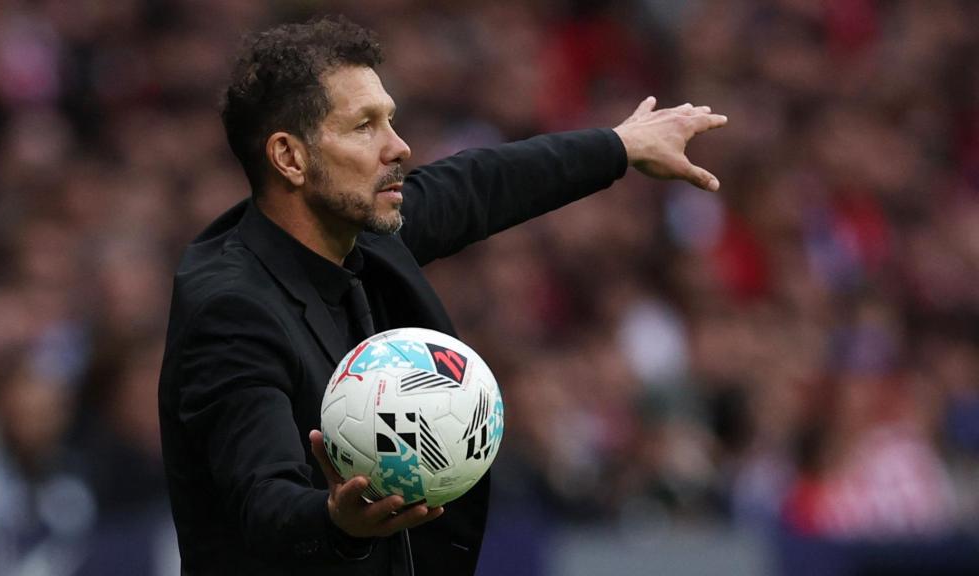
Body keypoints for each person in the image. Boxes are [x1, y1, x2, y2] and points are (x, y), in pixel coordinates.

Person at [157, 15, 727, 576]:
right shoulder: (231, 310)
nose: (399, 146)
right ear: (289, 157)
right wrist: (337, 523)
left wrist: (621, 146)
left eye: (391, 120)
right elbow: (261, 499)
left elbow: (479, 186)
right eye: (364, 127)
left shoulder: (356, 233)